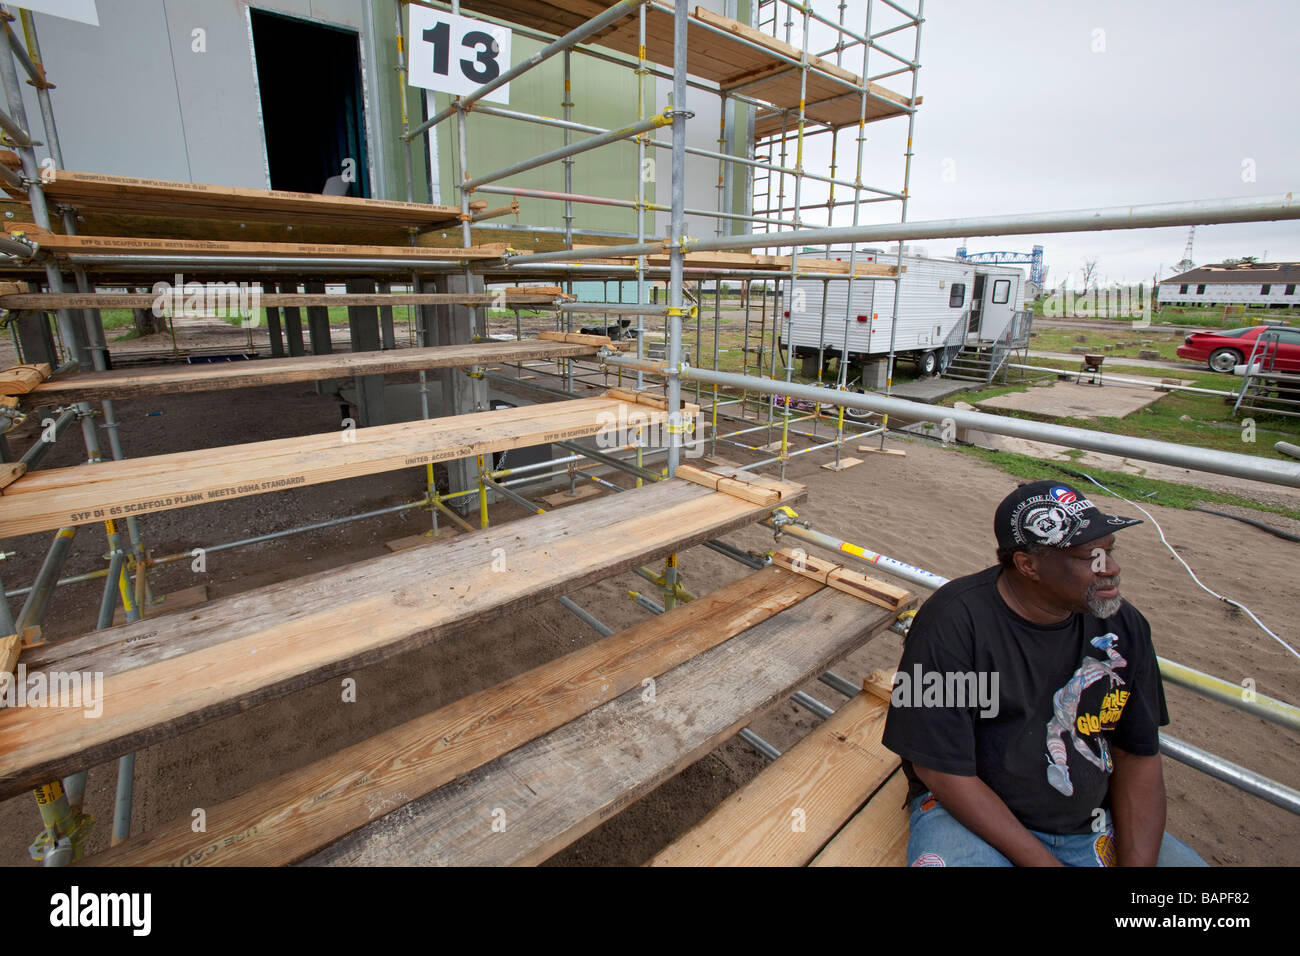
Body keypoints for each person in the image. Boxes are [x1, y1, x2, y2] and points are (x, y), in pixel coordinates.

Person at [881, 479, 1206, 867]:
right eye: (1090, 558)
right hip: (971, 819)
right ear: (1028, 564)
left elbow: (1137, 755)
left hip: (1091, 822)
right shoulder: (953, 621)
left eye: (1110, 551)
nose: (1112, 569)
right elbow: (941, 770)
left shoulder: (1123, 626)